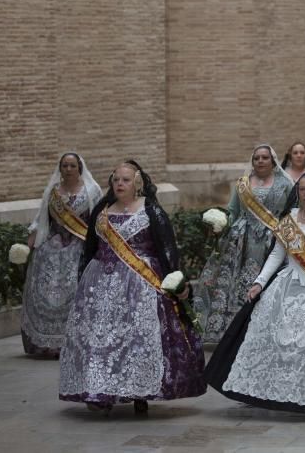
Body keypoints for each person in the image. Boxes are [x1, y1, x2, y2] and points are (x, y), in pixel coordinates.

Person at [206, 173, 305, 420]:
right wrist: (260, 283)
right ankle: (281, 395)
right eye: (302, 188)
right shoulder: (289, 221)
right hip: (289, 287)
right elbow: (276, 256)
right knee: (282, 343)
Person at [58, 160, 206, 414]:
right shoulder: (102, 211)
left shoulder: (151, 211)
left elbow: (167, 248)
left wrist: (177, 281)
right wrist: (82, 280)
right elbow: (90, 248)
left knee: (138, 338)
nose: (119, 184)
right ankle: (99, 391)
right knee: (100, 339)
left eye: (125, 180)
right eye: (116, 180)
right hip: (100, 287)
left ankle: (140, 392)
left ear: (137, 183)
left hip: (141, 285)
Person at [193, 145, 294, 342]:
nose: (260, 161)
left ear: (273, 161)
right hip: (241, 241)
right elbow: (233, 211)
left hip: (272, 241)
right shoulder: (243, 183)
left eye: (265, 157)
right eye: (256, 158)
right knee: (237, 284)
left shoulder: (285, 184)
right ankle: (238, 329)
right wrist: (221, 223)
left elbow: (292, 210)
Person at [20, 152, 103, 357]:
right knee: (44, 292)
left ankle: (75, 341)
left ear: (79, 168)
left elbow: (99, 221)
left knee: (74, 293)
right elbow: (41, 221)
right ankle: (48, 345)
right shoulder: (53, 192)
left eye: (72, 166)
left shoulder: (91, 191)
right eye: (64, 165)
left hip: (79, 247)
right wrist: (27, 247)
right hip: (52, 247)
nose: (68, 169)